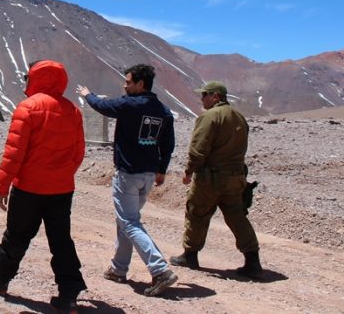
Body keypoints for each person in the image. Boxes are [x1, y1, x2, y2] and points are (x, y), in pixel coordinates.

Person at [0, 59, 87, 313]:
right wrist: (62, 174)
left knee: (17, 235)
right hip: (62, 189)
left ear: (36, 79)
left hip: (29, 187)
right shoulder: (73, 110)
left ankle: (0, 279)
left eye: (28, 77)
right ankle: (69, 293)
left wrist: (2, 186)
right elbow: (79, 152)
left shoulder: (28, 108)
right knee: (61, 240)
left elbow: (14, 153)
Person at [76, 64, 179, 297]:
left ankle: (160, 269)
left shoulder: (129, 105)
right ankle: (118, 269)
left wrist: (87, 95)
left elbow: (103, 106)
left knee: (130, 222)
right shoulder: (163, 110)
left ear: (140, 84)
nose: (124, 85)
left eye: (128, 81)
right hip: (149, 174)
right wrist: (162, 169)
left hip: (128, 174)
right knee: (127, 221)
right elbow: (168, 143)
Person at [170, 81, 263, 278]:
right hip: (235, 178)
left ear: (216, 96)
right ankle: (252, 260)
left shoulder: (210, 116)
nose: (201, 98)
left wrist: (189, 171)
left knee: (196, 213)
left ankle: (190, 255)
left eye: (205, 94)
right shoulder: (239, 117)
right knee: (237, 216)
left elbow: (198, 148)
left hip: (210, 178)